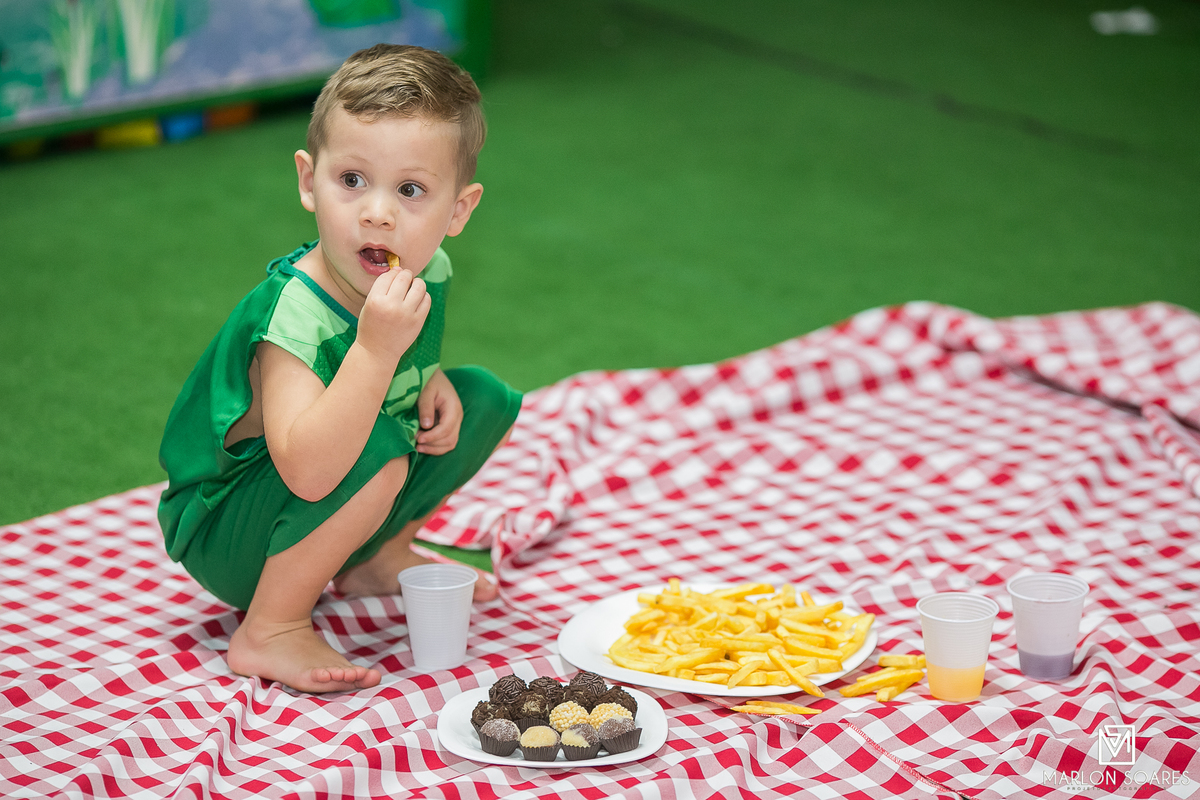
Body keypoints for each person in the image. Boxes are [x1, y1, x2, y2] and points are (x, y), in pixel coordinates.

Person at [157, 44, 521, 693]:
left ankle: (376, 557)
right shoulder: (294, 314)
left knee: (481, 398)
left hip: (324, 503)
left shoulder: (426, 269)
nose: (376, 212)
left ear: (458, 211)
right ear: (308, 179)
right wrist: (378, 352)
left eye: (410, 190)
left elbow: (402, 370)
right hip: (232, 529)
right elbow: (309, 465)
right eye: (352, 180)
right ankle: (270, 626)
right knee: (379, 447)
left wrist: (424, 375)